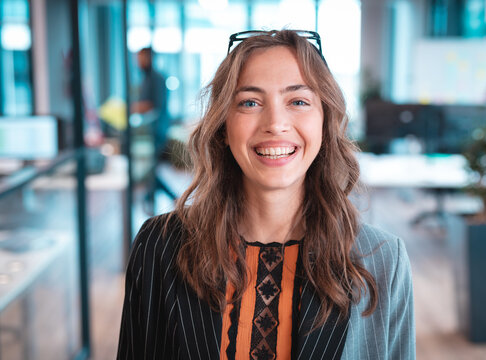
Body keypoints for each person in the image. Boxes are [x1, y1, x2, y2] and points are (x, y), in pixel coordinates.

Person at [117, 30, 415, 359]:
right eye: (250, 102)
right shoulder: (158, 246)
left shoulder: (382, 259)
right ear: (223, 127)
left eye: (298, 101)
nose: (275, 123)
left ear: (325, 122)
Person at [131, 47, 169, 154]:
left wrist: (134, 108)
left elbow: (156, 105)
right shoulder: (145, 78)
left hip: (157, 129)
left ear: (149, 57)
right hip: (148, 128)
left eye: (141, 58)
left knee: (153, 160)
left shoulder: (157, 78)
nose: (138, 61)